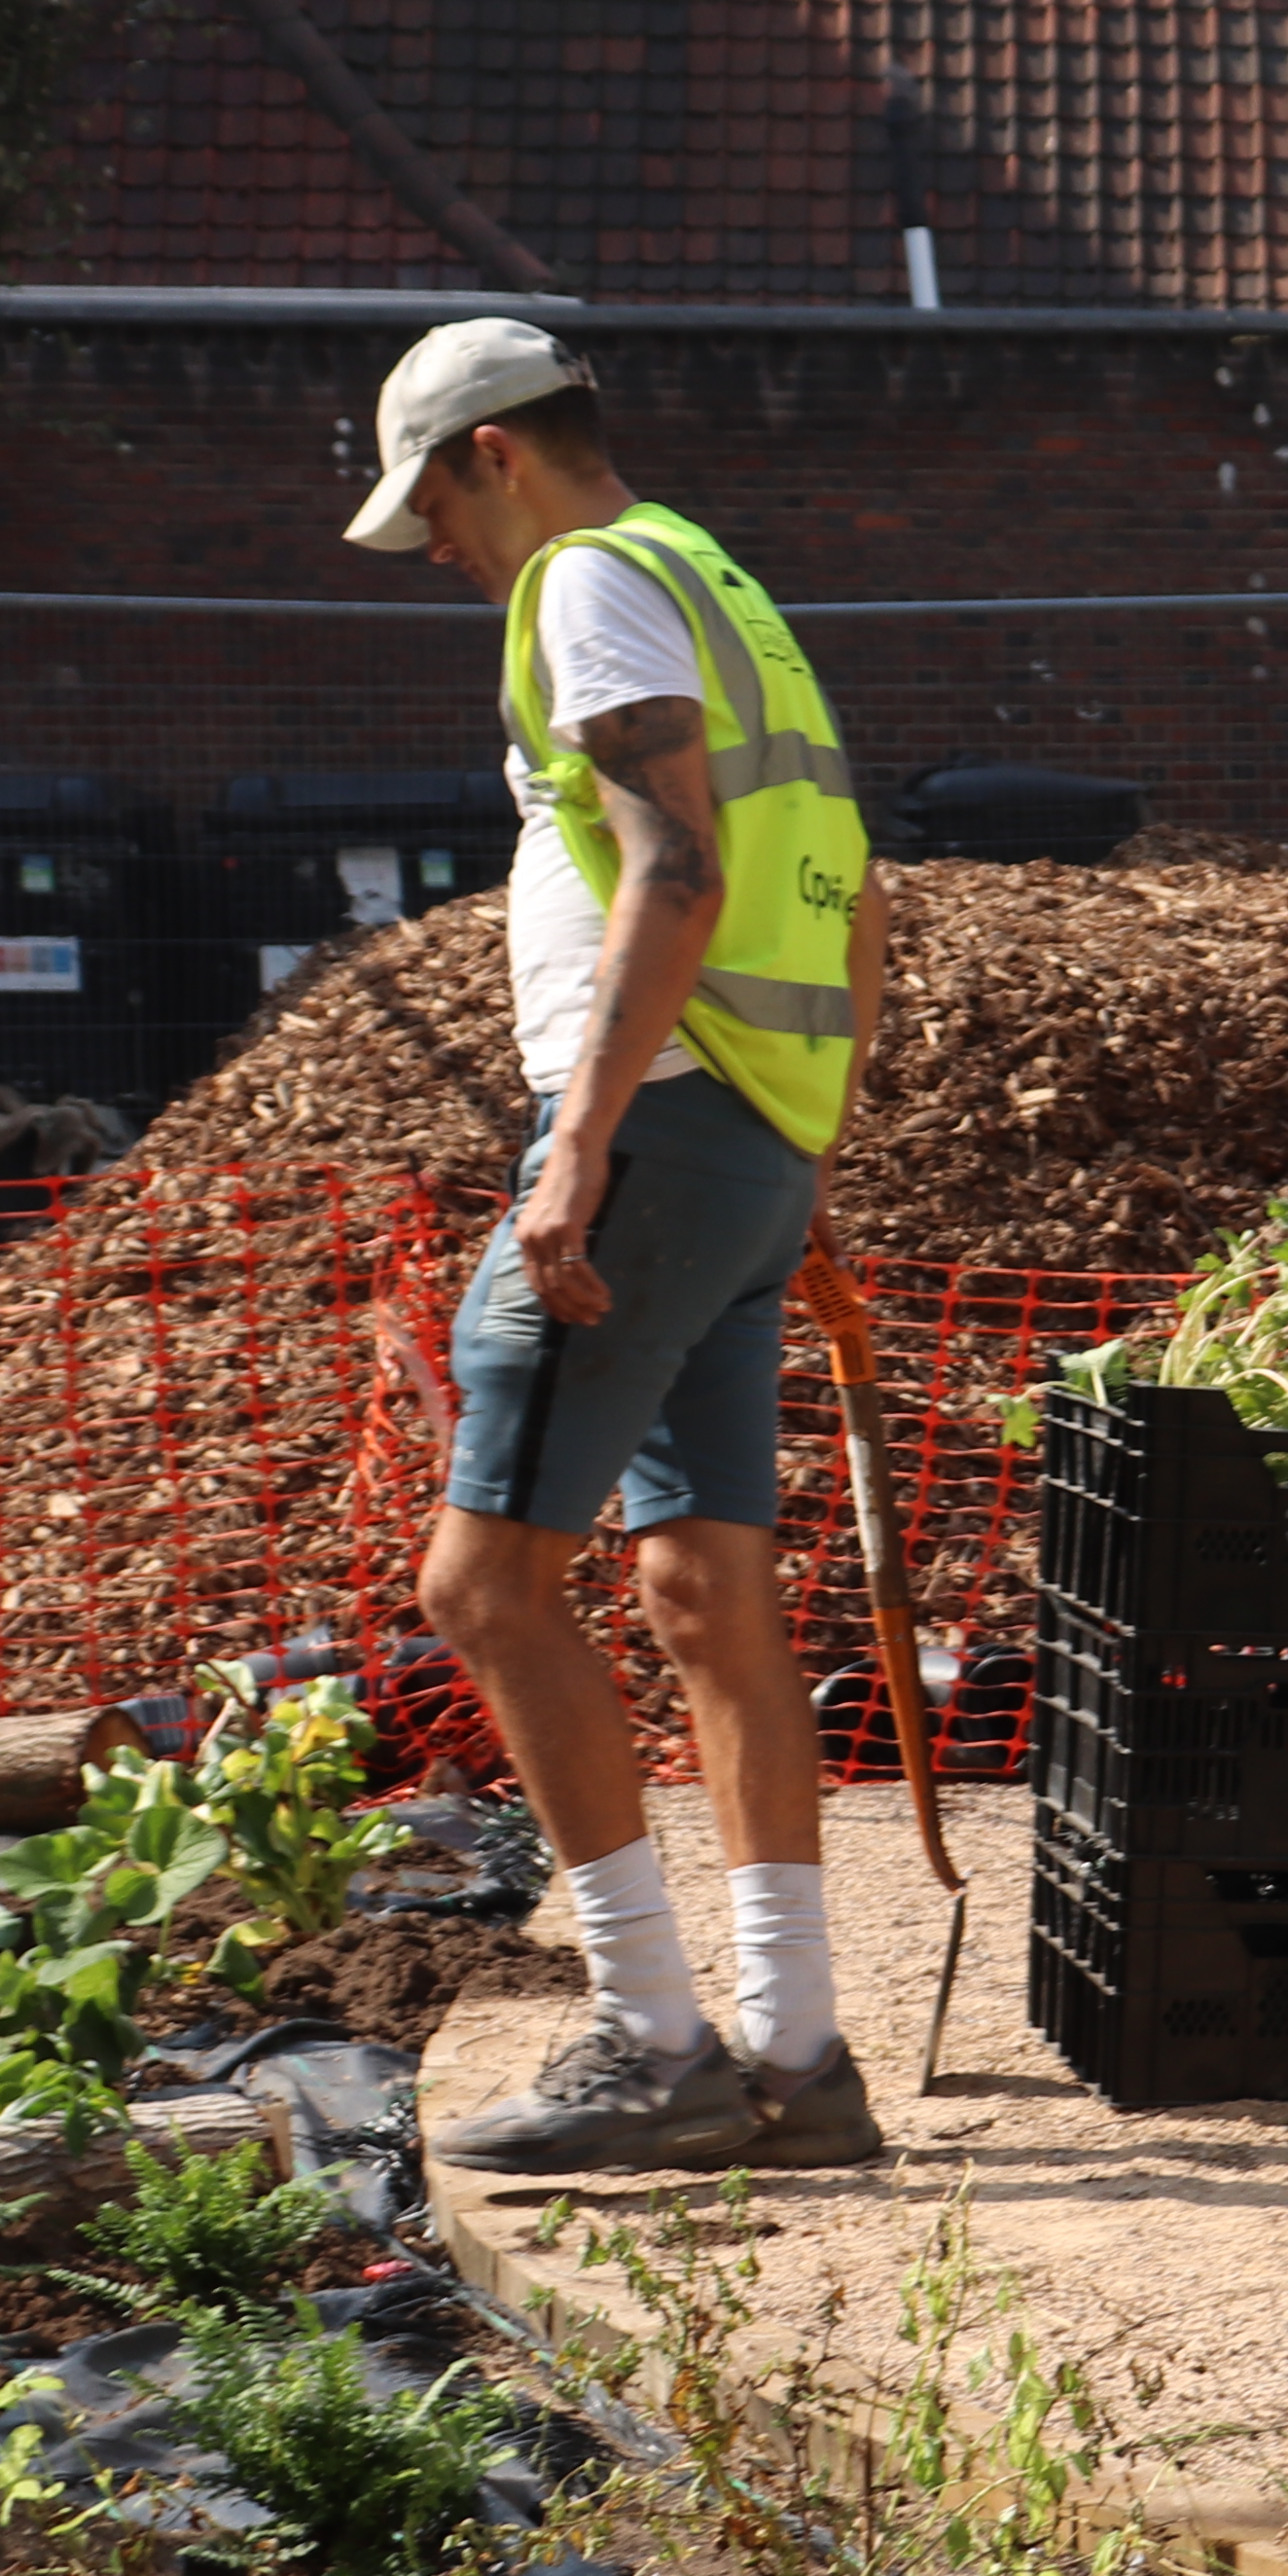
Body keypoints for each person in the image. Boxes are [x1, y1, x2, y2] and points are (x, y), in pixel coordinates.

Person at [357, 320, 894, 2176]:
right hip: (744, 1133)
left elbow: (678, 862)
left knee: (481, 1587)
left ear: (497, 452)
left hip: (656, 1128)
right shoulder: (716, 579)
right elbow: (856, 895)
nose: (432, 548)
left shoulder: (589, 585)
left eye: (429, 500)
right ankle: (798, 2052)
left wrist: (578, 1150)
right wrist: (798, 1160)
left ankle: (654, 2036)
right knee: (701, 1591)